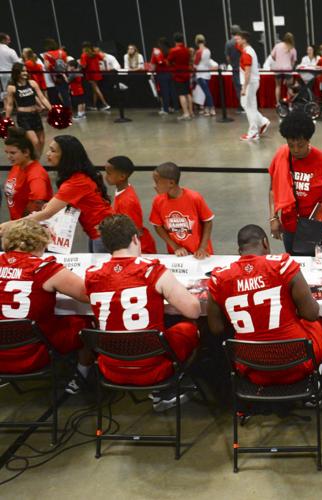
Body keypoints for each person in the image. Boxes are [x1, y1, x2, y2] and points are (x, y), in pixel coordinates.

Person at [85, 214, 201, 410]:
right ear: (135, 239)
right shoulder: (152, 271)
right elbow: (194, 310)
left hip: (111, 367)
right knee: (191, 327)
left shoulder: (92, 274)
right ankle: (169, 387)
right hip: (152, 368)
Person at [207, 224, 322, 386]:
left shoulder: (218, 278)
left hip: (251, 367)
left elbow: (216, 328)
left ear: (239, 251)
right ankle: (318, 378)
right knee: (318, 323)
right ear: (265, 243)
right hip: (296, 362)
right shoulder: (283, 265)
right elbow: (311, 314)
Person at [0, 220, 94, 393]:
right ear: (40, 242)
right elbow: (87, 295)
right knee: (85, 323)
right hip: (33, 353)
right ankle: (81, 376)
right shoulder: (44, 268)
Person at [0, 135, 114, 253]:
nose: (48, 154)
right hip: (98, 231)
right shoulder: (76, 177)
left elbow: (46, 213)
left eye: (53, 151)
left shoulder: (76, 182)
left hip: (104, 234)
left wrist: (11, 225)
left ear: (66, 156)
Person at [268, 110, 322, 255]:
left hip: (318, 227)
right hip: (290, 225)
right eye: (291, 145)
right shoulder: (281, 156)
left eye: (301, 145)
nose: (296, 150)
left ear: (308, 140)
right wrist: (273, 217)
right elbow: (273, 189)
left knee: (320, 268)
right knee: (295, 267)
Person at [149, 162, 214, 259]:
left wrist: (202, 248)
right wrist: (175, 246)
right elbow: (157, 226)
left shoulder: (194, 198)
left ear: (171, 183)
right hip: (178, 255)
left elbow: (208, 221)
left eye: (157, 181)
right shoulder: (158, 201)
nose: (154, 185)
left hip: (201, 254)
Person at [103, 156, 157, 254]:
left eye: (109, 173)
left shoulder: (127, 201)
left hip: (139, 249)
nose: (105, 176)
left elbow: (134, 231)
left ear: (122, 177)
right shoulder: (122, 190)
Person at [3, 62, 51, 157]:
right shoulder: (12, 87)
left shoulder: (32, 83)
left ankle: (36, 160)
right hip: (23, 117)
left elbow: (42, 97)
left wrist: (51, 109)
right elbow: (9, 105)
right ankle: (34, 161)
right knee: (35, 141)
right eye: (23, 71)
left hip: (35, 115)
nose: (25, 73)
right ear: (17, 73)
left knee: (41, 141)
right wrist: (7, 119)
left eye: (26, 70)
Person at [3, 127, 52, 220]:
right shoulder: (17, 165)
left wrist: (20, 224)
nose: (8, 156)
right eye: (7, 152)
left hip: (27, 228)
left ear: (26, 152)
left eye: (12, 153)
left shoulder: (36, 175)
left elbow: (38, 204)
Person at [236, 30, 271, 141]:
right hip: (252, 82)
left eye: (239, 38)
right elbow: (237, 46)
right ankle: (262, 122)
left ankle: (253, 133)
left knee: (249, 107)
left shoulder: (247, 53)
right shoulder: (248, 50)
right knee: (249, 106)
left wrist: (244, 87)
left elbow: (247, 71)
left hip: (249, 83)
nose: (237, 40)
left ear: (244, 40)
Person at [168, 33, 193, 120]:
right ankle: (191, 112)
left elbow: (169, 61)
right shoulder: (187, 50)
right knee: (188, 93)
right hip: (187, 73)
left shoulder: (173, 50)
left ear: (174, 40)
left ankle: (186, 113)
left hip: (178, 74)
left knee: (181, 94)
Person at [79, 42, 109, 111]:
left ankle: (105, 104)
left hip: (90, 74)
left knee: (96, 88)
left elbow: (84, 65)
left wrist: (79, 65)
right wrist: (106, 68)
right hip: (97, 73)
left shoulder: (84, 55)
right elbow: (104, 60)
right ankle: (94, 105)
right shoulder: (95, 53)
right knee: (94, 89)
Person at [41, 38, 70, 107]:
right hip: (64, 75)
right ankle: (69, 109)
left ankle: (64, 111)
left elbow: (46, 67)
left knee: (59, 94)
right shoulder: (63, 52)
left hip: (55, 77)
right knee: (65, 94)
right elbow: (66, 64)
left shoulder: (47, 55)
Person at [271, 32, 297, 103]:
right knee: (289, 87)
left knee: (278, 86)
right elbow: (293, 62)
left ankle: (278, 104)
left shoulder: (277, 45)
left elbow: (272, 56)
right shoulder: (292, 48)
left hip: (277, 69)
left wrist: (278, 60)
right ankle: (290, 104)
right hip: (288, 69)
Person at [193, 34, 215, 117]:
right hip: (207, 73)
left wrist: (194, 67)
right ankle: (207, 109)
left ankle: (211, 108)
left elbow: (195, 63)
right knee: (206, 92)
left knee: (206, 92)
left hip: (200, 73)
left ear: (196, 42)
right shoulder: (208, 50)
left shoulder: (199, 52)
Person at [151, 38, 174, 115]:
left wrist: (151, 74)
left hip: (161, 74)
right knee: (171, 91)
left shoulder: (156, 51)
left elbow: (154, 64)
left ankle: (165, 109)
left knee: (164, 92)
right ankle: (171, 107)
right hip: (171, 73)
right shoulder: (171, 51)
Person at [225, 25, 243, 113]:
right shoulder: (242, 41)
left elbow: (228, 57)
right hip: (244, 67)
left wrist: (231, 64)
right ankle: (247, 106)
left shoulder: (229, 43)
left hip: (235, 68)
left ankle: (241, 107)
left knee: (238, 87)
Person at [0, 33, 21, 99]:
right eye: (8, 40)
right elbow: (18, 64)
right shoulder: (10, 51)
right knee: (11, 92)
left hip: (2, 76)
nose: (10, 41)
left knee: (2, 93)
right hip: (10, 75)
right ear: (3, 40)